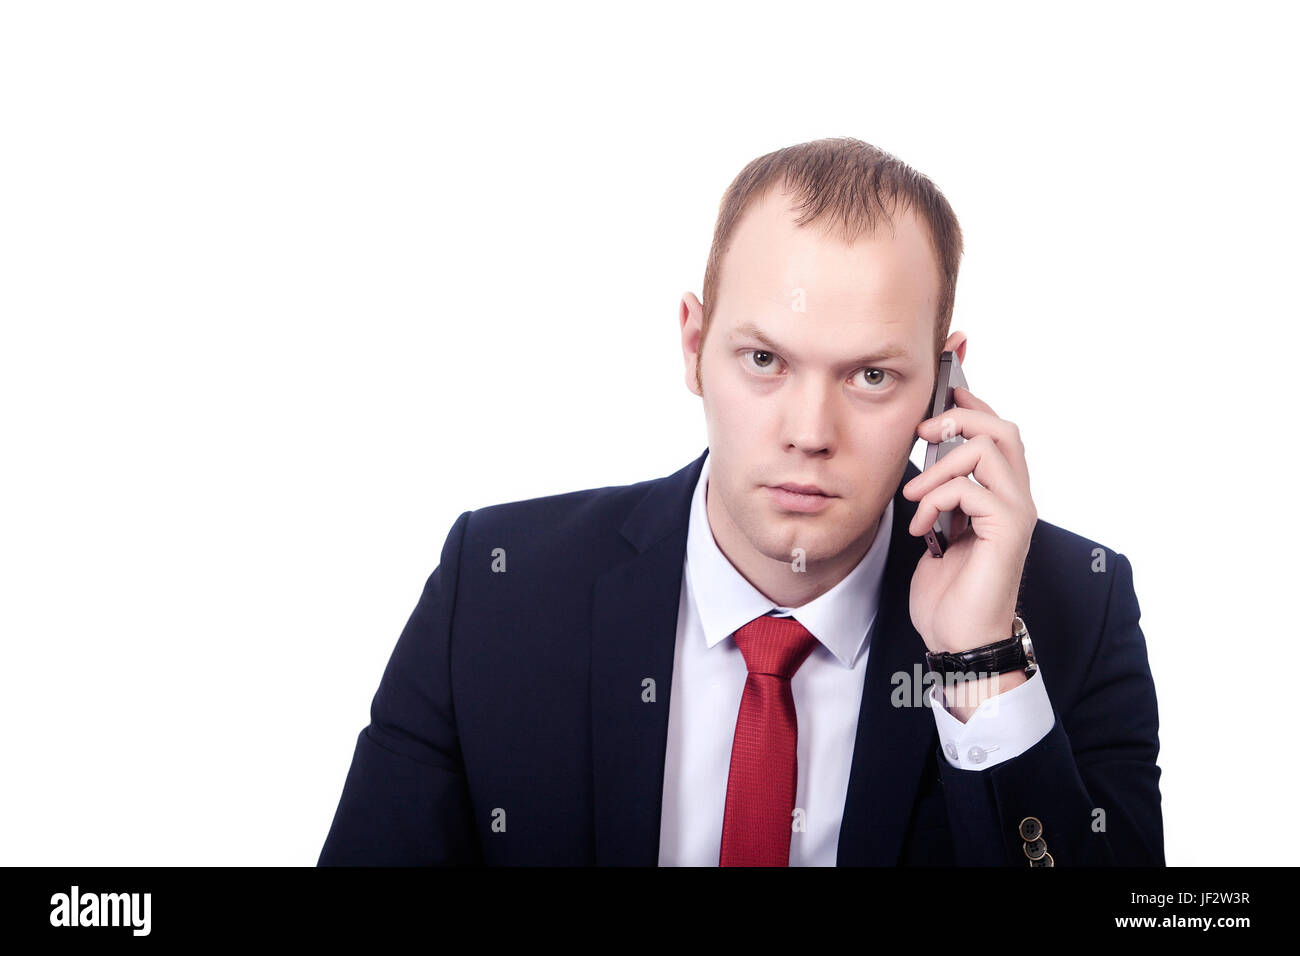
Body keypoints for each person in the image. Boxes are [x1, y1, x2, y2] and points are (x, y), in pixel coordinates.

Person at [317, 136, 1163, 866]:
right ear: (694, 346)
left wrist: (978, 665)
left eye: (871, 375)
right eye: (764, 361)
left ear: (944, 386)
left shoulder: (1074, 608)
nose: (808, 430)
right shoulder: (496, 589)